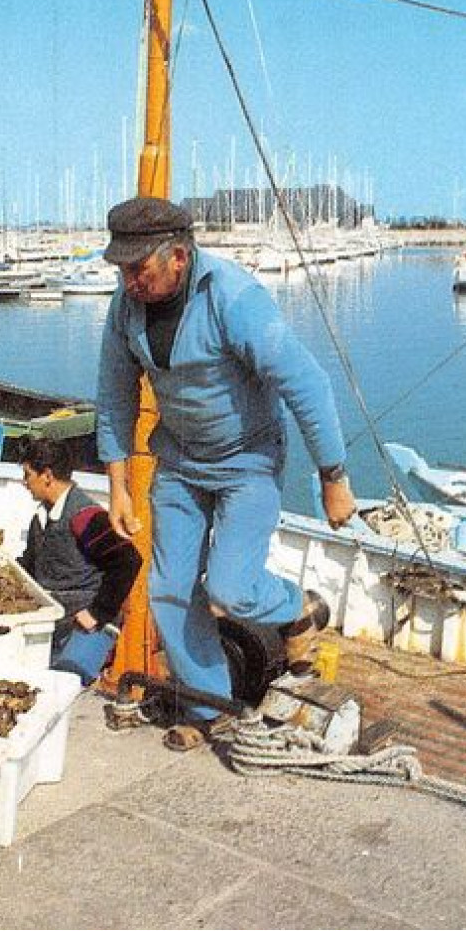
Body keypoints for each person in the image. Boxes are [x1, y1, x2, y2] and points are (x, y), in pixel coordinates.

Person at [95, 196, 357, 751]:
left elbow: (306, 384)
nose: (128, 281)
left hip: (248, 460)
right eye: (121, 269)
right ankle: (207, 708)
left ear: (180, 258)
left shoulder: (235, 298)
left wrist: (333, 477)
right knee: (169, 592)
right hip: (180, 463)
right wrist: (118, 485)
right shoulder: (125, 307)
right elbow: (114, 395)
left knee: (232, 589)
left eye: (137, 269)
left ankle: (296, 609)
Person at [17, 438, 142, 682]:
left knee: (64, 683)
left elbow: (128, 561)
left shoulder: (86, 517)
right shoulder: (40, 518)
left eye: (27, 474)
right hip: (53, 617)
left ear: (47, 476)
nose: (24, 482)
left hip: (86, 622)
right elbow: (29, 566)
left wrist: (97, 613)